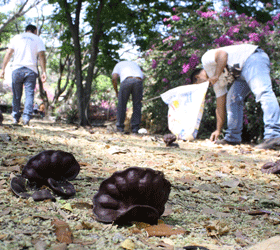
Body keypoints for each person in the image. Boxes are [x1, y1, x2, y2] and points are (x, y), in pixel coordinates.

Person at [191, 44, 280, 149]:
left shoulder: (206, 60)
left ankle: (273, 136)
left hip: (253, 58)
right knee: (232, 98)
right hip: (241, 74)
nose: (204, 88)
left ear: (197, 77)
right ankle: (232, 138)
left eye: (199, 84)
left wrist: (216, 75)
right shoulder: (217, 84)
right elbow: (220, 106)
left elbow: (222, 54)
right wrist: (218, 130)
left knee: (263, 92)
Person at [0, 24, 47, 126]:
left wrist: (2, 69)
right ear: (34, 31)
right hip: (31, 70)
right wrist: (44, 71)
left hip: (17, 69)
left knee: (16, 95)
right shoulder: (37, 39)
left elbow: (8, 53)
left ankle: (15, 118)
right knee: (29, 94)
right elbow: (42, 56)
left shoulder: (17, 37)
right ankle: (26, 118)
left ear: (26, 30)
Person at [112, 60, 144, 134]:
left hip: (127, 80)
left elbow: (114, 78)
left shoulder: (118, 65)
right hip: (138, 80)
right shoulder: (134, 64)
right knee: (137, 105)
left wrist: (117, 92)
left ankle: (120, 127)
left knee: (122, 104)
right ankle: (135, 129)